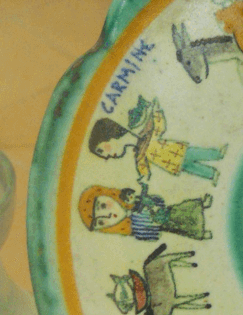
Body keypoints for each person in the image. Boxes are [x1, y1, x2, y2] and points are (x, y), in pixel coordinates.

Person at [88, 97, 226, 185]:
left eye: (101, 150)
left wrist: (157, 112)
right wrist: (144, 176)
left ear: (108, 136)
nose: (106, 156)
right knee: (191, 168)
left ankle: (217, 153)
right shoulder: (138, 153)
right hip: (171, 164)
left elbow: (159, 128)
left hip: (177, 150)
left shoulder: (144, 133)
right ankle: (212, 174)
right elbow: (142, 164)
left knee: (195, 153)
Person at [78, 184, 212, 241]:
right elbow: (147, 235)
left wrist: (153, 205)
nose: (108, 215)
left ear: (109, 195)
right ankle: (199, 234)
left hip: (164, 212)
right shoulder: (133, 227)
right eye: (101, 222)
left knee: (179, 209)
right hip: (161, 224)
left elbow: (154, 200)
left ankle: (201, 205)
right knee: (178, 229)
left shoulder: (133, 202)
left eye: (102, 206)